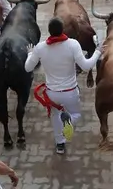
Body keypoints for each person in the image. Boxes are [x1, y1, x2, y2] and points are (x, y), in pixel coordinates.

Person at [24, 17, 102, 155]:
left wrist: (30, 53)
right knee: (76, 114)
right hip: (70, 91)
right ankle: (69, 120)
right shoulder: (73, 44)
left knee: (55, 116)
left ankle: (60, 145)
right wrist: (97, 52)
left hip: (52, 93)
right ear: (62, 30)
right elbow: (85, 66)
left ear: (49, 31)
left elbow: (28, 68)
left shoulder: (40, 48)